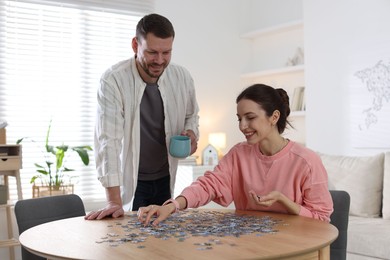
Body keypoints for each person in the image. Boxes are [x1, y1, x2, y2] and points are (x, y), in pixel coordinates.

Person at [137, 83, 333, 226]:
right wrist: (171, 206)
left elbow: (322, 219)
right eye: (239, 119)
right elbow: (208, 185)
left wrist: (283, 200)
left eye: (250, 118)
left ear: (274, 117)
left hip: (296, 246)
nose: (242, 126)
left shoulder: (307, 161)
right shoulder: (239, 154)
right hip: (250, 245)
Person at [85, 13, 199, 220]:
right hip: (133, 182)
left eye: (167, 52)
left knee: (164, 244)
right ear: (135, 45)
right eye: (152, 52)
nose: (160, 60)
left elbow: (191, 115)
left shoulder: (182, 77)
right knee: (130, 246)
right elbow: (107, 141)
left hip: (166, 177)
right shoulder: (113, 80)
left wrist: (192, 133)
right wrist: (113, 201)